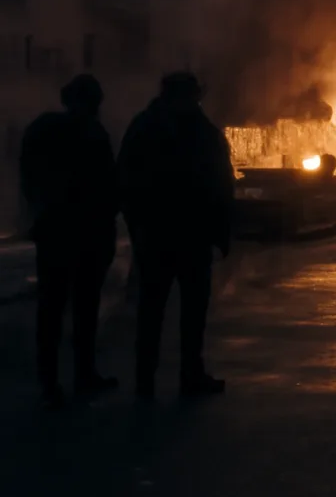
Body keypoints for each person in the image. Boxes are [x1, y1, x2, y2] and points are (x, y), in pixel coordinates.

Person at [119, 72, 234, 399]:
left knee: (159, 312)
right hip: (186, 237)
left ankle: (155, 381)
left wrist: (138, 228)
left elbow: (125, 180)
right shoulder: (201, 133)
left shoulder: (144, 127)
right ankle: (183, 377)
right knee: (178, 312)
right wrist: (220, 232)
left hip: (164, 238)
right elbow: (221, 185)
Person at [19, 75, 119, 407]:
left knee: (51, 309)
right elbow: (108, 185)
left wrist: (38, 215)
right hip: (86, 234)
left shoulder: (42, 130)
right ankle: (83, 374)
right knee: (83, 309)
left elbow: (29, 179)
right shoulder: (92, 134)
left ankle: (51, 382)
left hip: (55, 232)